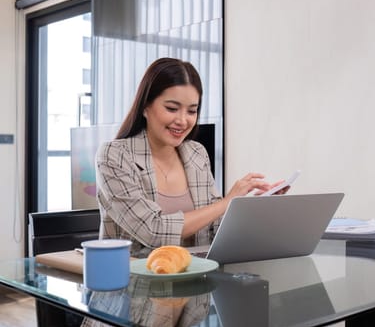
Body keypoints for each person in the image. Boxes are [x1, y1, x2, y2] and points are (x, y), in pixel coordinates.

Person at [96, 58, 281, 258]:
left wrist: (257, 207)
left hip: (196, 280)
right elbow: (153, 231)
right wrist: (228, 202)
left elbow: (215, 229)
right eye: (172, 109)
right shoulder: (114, 156)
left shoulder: (196, 154)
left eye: (192, 111)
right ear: (145, 107)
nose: (183, 121)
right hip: (134, 284)